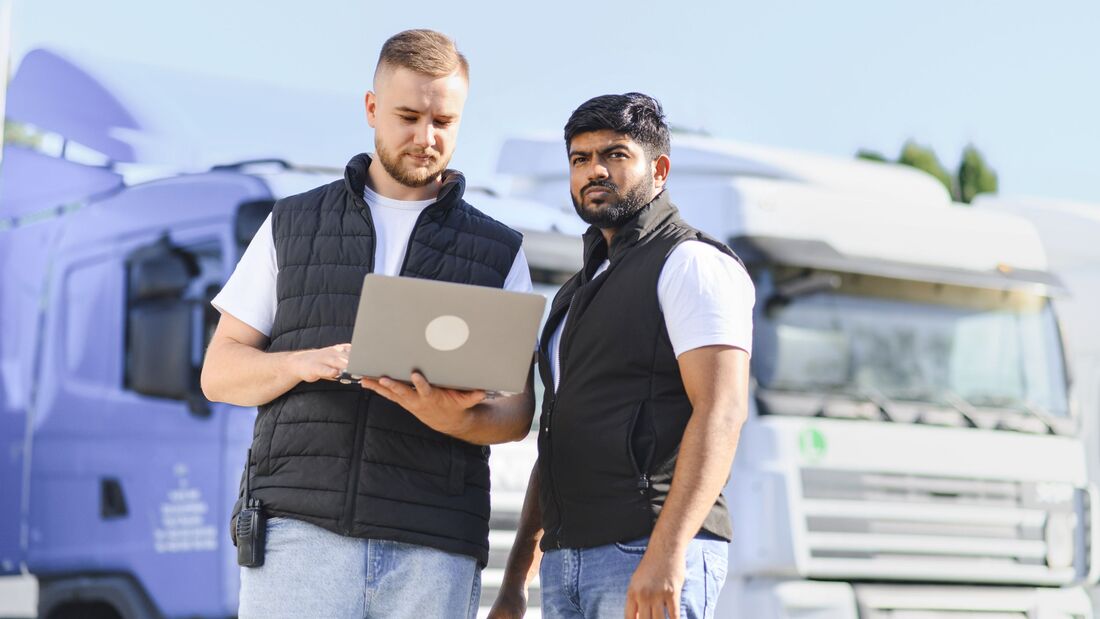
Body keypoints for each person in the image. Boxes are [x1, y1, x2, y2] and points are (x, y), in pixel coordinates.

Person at [200, 29, 536, 619]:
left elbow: (516, 414)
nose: (426, 138)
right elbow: (219, 373)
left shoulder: (499, 252)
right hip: (300, 538)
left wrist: (458, 416)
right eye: (408, 116)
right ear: (371, 108)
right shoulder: (292, 224)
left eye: (444, 122)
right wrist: (302, 363)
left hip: (433, 542)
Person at [489, 93, 753, 619]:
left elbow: (722, 411)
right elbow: (556, 439)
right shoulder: (572, 294)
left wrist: (667, 553)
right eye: (580, 159)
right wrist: (517, 579)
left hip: (645, 549)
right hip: (568, 564)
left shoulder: (690, 263)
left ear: (659, 168)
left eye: (615, 155)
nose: (595, 171)